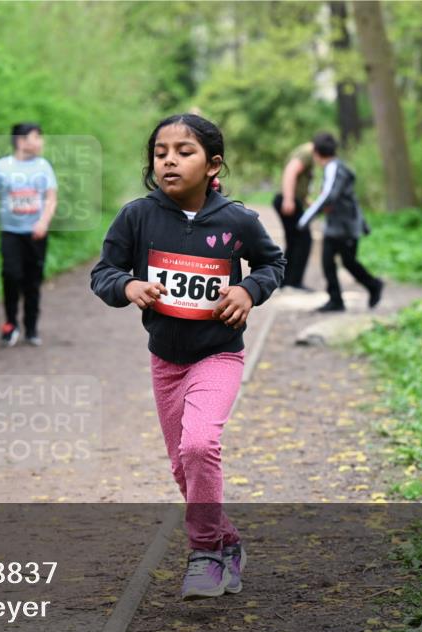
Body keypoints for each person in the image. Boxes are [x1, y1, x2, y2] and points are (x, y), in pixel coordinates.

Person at [91, 114, 284, 600]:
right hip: (166, 362)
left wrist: (248, 290)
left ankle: (204, 553)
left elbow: (272, 263)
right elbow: (104, 272)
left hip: (218, 354)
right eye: (160, 153)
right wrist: (128, 285)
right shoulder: (137, 217)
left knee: (199, 447)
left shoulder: (237, 220)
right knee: (183, 467)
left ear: (213, 163)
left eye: (184, 151)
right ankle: (229, 541)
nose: (170, 160)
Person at [0, 122, 57, 347]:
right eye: (36, 137)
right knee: (10, 275)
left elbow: (51, 198)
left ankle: (31, 327)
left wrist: (43, 221)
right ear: (21, 141)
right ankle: (10, 324)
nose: (40, 142)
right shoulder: (1, 167)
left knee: (32, 281)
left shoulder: (43, 167)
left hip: (36, 235)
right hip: (10, 232)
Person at [297, 132, 384, 312]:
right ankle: (336, 299)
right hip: (338, 227)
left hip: (345, 228)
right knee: (329, 262)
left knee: (348, 262)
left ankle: (373, 285)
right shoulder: (335, 167)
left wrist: (305, 219)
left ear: (316, 152)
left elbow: (329, 196)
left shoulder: (334, 169)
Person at [273, 142, 315, 290]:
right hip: (288, 200)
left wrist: (310, 203)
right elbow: (290, 171)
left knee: (294, 241)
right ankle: (293, 282)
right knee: (304, 240)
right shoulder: (308, 152)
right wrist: (289, 198)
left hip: (292, 200)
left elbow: (299, 183)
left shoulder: (305, 150)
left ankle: (286, 281)